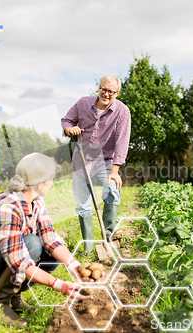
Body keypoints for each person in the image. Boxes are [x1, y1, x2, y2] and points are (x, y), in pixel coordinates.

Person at [0, 153, 92, 329]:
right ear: (41, 183)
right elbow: (18, 260)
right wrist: (58, 284)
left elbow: (50, 237)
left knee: (52, 253)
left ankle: (14, 297)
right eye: (52, 179)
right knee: (32, 244)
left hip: (0, 259)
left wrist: (75, 266)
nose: (53, 183)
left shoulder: (36, 201)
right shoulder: (7, 206)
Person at [61, 74, 131, 252]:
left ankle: (108, 235)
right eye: (103, 89)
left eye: (111, 91)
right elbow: (66, 120)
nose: (106, 94)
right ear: (98, 88)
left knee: (113, 189)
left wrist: (115, 170)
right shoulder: (83, 103)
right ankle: (89, 247)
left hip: (106, 159)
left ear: (117, 93)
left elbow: (122, 141)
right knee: (82, 202)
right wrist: (70, 129)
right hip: (81, 158)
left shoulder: (122, 111)